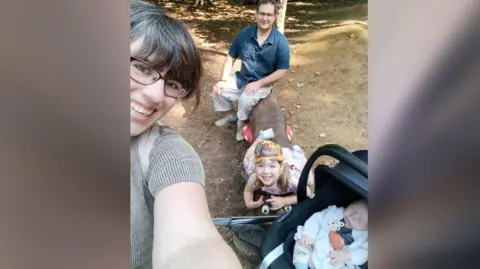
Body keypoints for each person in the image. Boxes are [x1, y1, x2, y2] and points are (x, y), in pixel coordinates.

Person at [130, 2, 242, 269]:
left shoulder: (167, 153)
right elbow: (231, 57)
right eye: (142, 68)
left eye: (173, 84)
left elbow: (193, 243)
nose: (157, 95)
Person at [212, 0, 290, 141]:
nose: (264, 18)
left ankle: (242, 123)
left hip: (263, 83)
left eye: (269, 15)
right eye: (261, 13)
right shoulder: (244, 34)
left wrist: (259, 83)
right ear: (256, 14)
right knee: (218, 90)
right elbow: (231, 56)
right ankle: (232, 115)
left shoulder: (281, 42)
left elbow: (282, 70)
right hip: (242, 78)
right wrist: (223, 80)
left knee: (246, 99)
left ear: (274, 17)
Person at [243, 129, 314, 211]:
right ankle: (261, 137)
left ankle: (299, 152)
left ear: (281, 167)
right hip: (273, 156)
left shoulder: (291, 181)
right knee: (246, 162)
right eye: (261, 165)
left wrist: (285, 201)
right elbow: (248, 191)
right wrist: (248, 202)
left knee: (310, 181)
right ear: (255, 166)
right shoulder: (254, 178)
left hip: (292, 160)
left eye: (272, 166)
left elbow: (307, 193)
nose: (266, 171)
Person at [292, 200, 368, 269]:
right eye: (353, 210)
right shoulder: (334, 211)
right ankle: (301, 265)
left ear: (366, 228)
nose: (352, 217)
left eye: (360, 221)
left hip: (334, 262)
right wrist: (309, 234)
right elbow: (317, 219)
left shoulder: (364, 237)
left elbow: (364, 254)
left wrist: (348, 255)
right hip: (315, 245)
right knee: (302, 241)